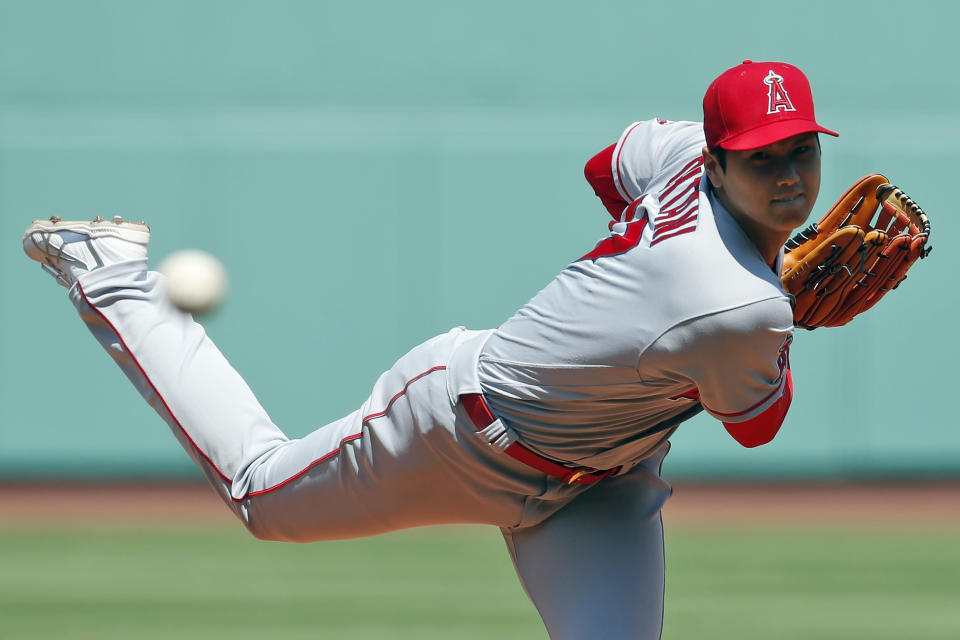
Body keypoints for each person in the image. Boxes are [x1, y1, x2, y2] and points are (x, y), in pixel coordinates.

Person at [22, 60, 836, 639]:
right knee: (261, 498)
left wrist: (630, 274)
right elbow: (757, 426)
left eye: (801, 148)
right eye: (763, 158)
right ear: (721, 162)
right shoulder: (736, 307)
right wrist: (770, 303)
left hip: (602, 491)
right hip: (453, 432)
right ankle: (114, 276)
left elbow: (608, 165)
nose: (790, 175)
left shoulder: (684, 156)